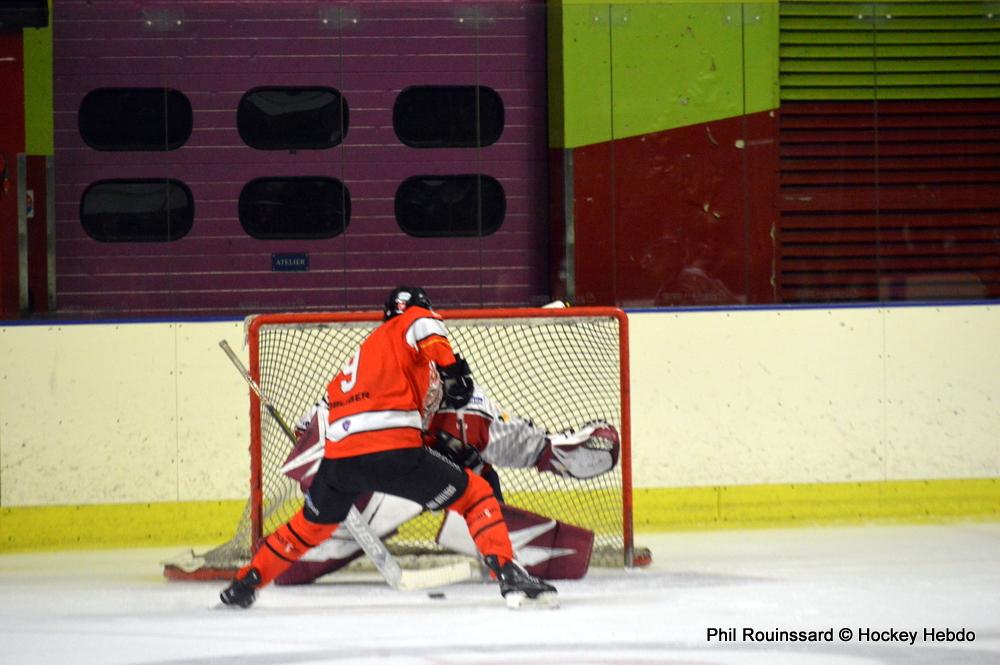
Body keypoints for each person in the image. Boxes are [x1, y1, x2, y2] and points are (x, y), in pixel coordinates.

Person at [220, 286, 557, 609]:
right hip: (394, 449)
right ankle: (509, 573)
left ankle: (246, 582)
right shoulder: (412, 322)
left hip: (340, 461)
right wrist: (452, 370)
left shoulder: (359, 359)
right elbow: (424, 324)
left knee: (309, 526)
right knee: (476, 493)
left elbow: (306, 426)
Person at [277, 382, 621, 584]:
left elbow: (519, 444)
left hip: (460, 485)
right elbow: (308, 439)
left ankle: (495, 545)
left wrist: (555, 451)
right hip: (388, 482)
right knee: (372, 487)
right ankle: (331, 535)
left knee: (474, 480)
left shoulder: (466, 410)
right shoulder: (363, 396)